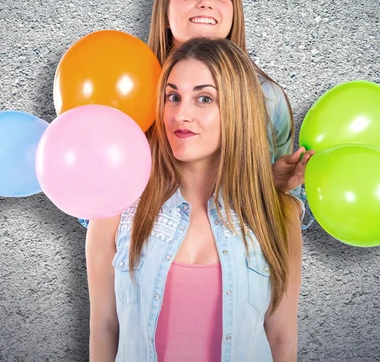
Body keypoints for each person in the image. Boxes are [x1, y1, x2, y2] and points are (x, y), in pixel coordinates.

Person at [86, 37, 303, 361]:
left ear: (237, 109)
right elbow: (104, 328)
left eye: (204, 98)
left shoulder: (277, 213)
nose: (181, 114)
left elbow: (282, 338)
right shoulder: (117, 204)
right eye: (173, 96)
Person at [80, 0, 314, 230]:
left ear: (233, 11)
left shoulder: (266, 97)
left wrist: (273, 188)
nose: (206, 2)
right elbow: (93, 209)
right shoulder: (125, 89)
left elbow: (285, 212)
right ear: (165, 10)